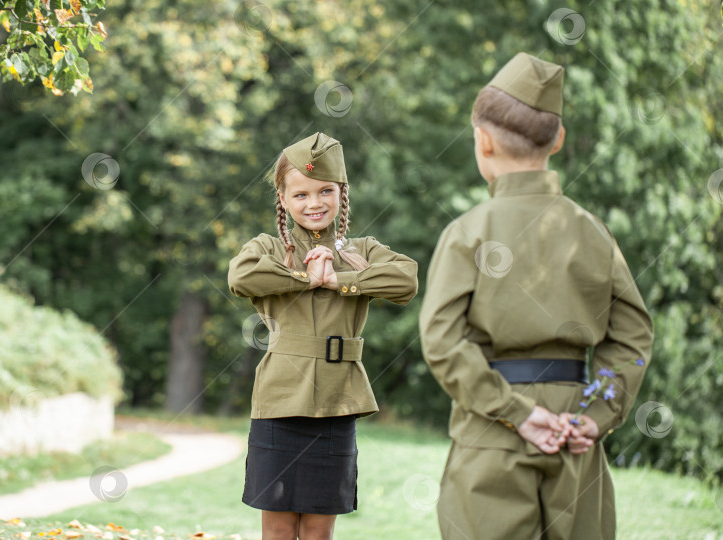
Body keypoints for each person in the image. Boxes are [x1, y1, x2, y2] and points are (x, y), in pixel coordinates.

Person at [419, 52, 654, 539]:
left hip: (491, 431)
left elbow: (441, 341)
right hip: (575, 431)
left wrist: (516, 413)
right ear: (559, 140)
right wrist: (597, 415)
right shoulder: (594, 232)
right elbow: (633, 336)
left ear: (483, 141)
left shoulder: (468, 233)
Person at [228, 132, 418, 540]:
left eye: (325, 191)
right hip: (280, 403)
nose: (313, 203)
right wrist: (305, 277)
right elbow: (241, 277)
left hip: (336, 401)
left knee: (318, 531)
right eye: (300, 194)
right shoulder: (269, 248)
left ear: (341, 193)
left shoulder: (362, 250)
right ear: (282, 199)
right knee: (279, 530)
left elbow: (406, 279)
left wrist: (339, 279)